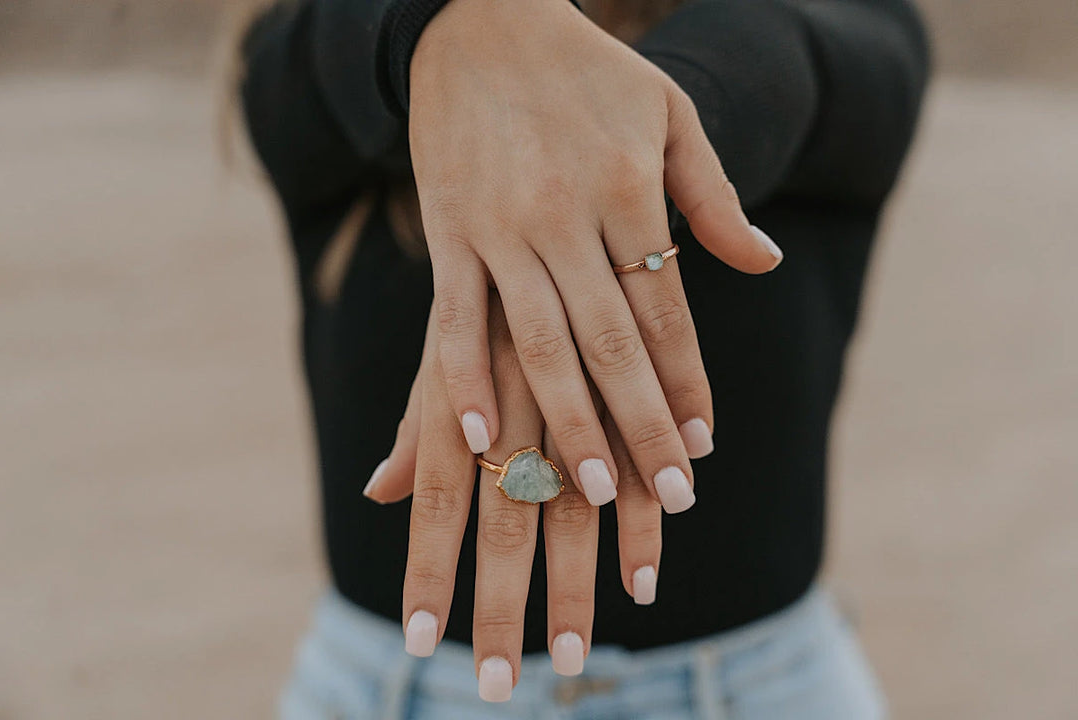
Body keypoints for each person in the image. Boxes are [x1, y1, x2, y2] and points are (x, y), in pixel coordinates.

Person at [238, 0, 929, 716]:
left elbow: (788, 52)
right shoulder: (319, 43)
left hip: (759, 693)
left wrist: (573, 131)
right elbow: (314, 55)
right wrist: (446, 21)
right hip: (387, 694)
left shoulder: (830, 29)